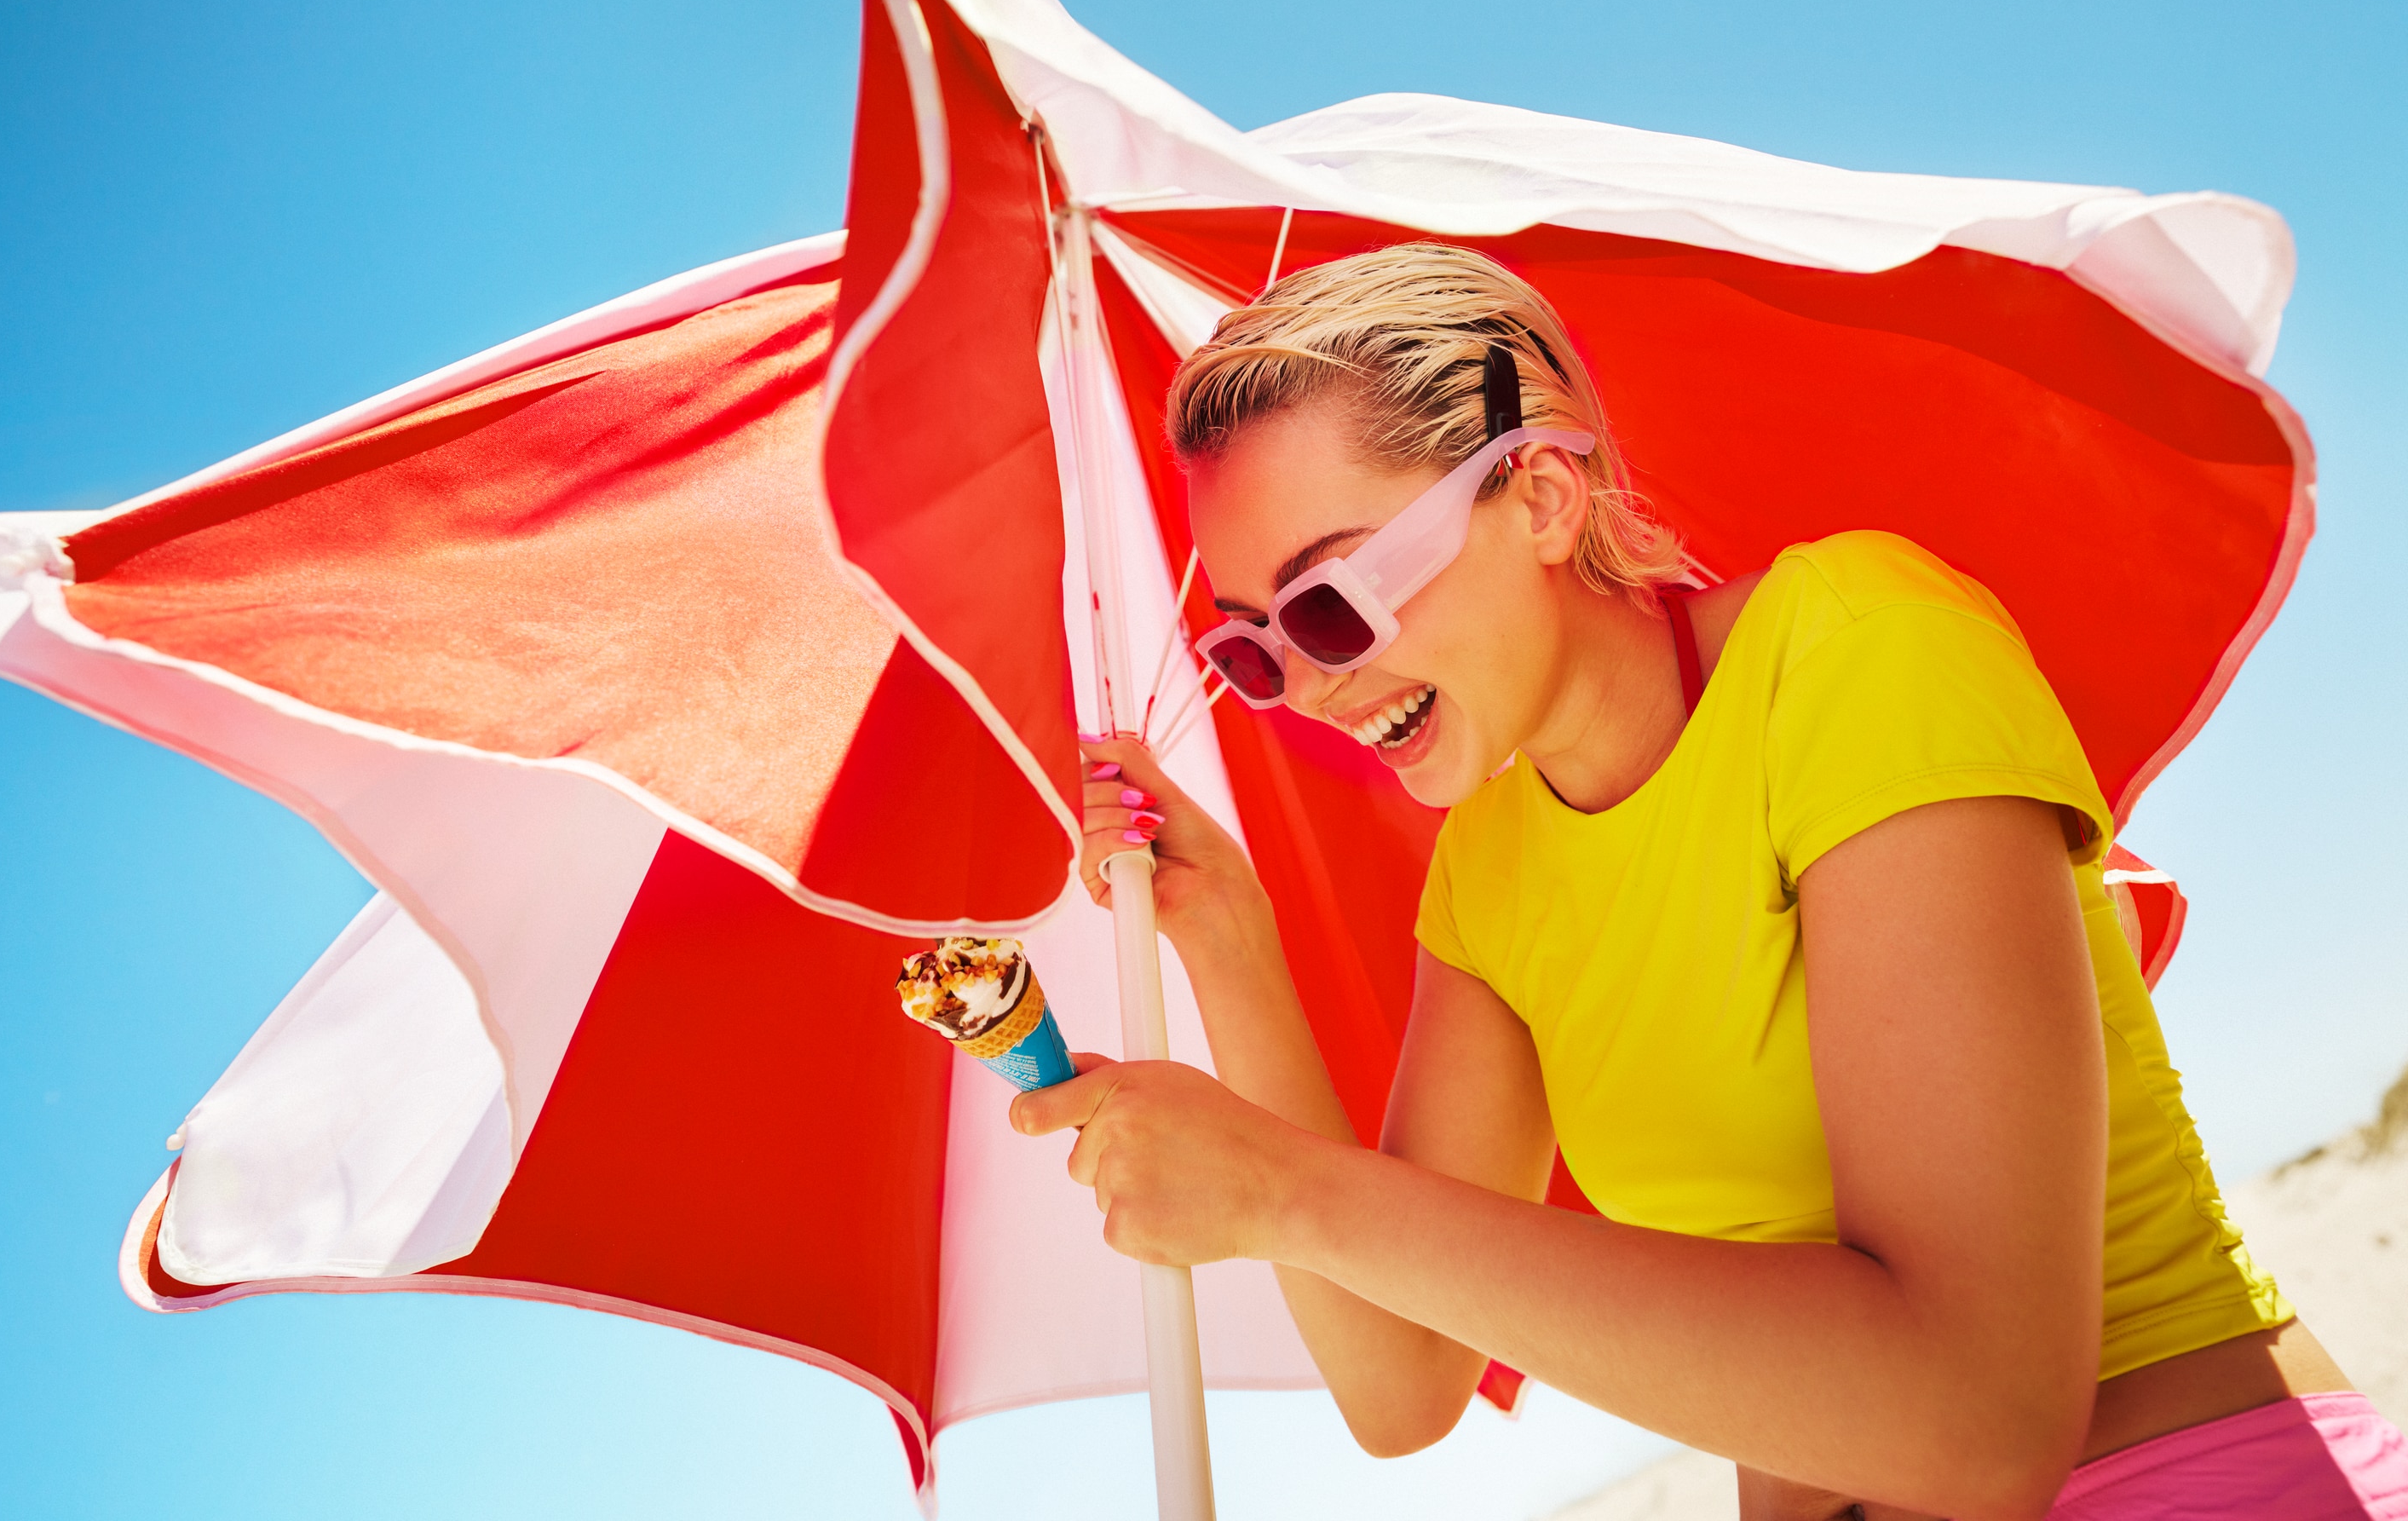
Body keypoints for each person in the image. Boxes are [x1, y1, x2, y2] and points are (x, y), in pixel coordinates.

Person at [1011, 243, 2408, 1519]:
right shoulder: (1486, 877)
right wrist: (1226, 937)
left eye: (1328, 603)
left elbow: (1980, 1427)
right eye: (1257, 651)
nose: (1311, 684)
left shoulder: (1859, 651)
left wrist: (1286, 1194)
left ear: (1541, 498)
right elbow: (1402, 1387)